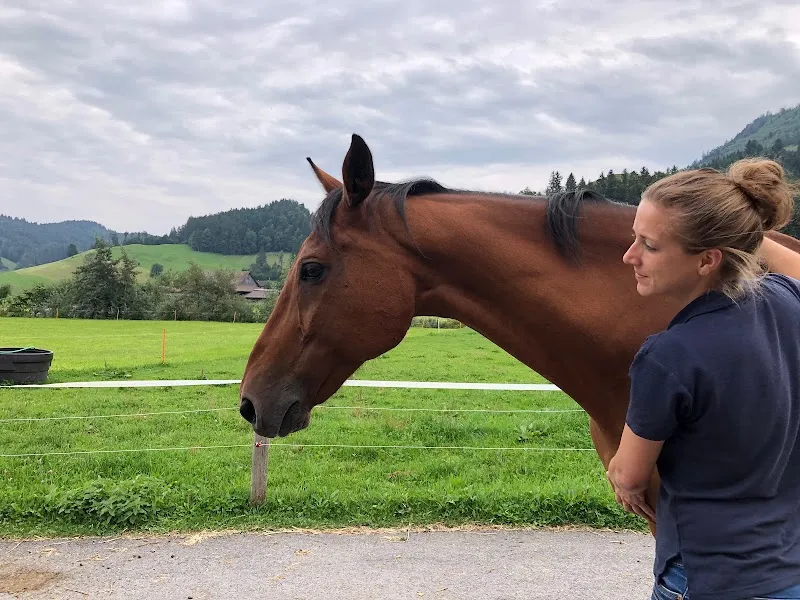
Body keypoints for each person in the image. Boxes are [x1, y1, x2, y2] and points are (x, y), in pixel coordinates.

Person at [606, 157, 800, 600]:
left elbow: (630, 475)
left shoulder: (669, 355)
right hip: (788, 573)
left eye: (650, 245)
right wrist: (744, 233)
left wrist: (622, 480)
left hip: (708, 577)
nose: (629, 256)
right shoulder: (789, 300)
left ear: (707, 260)